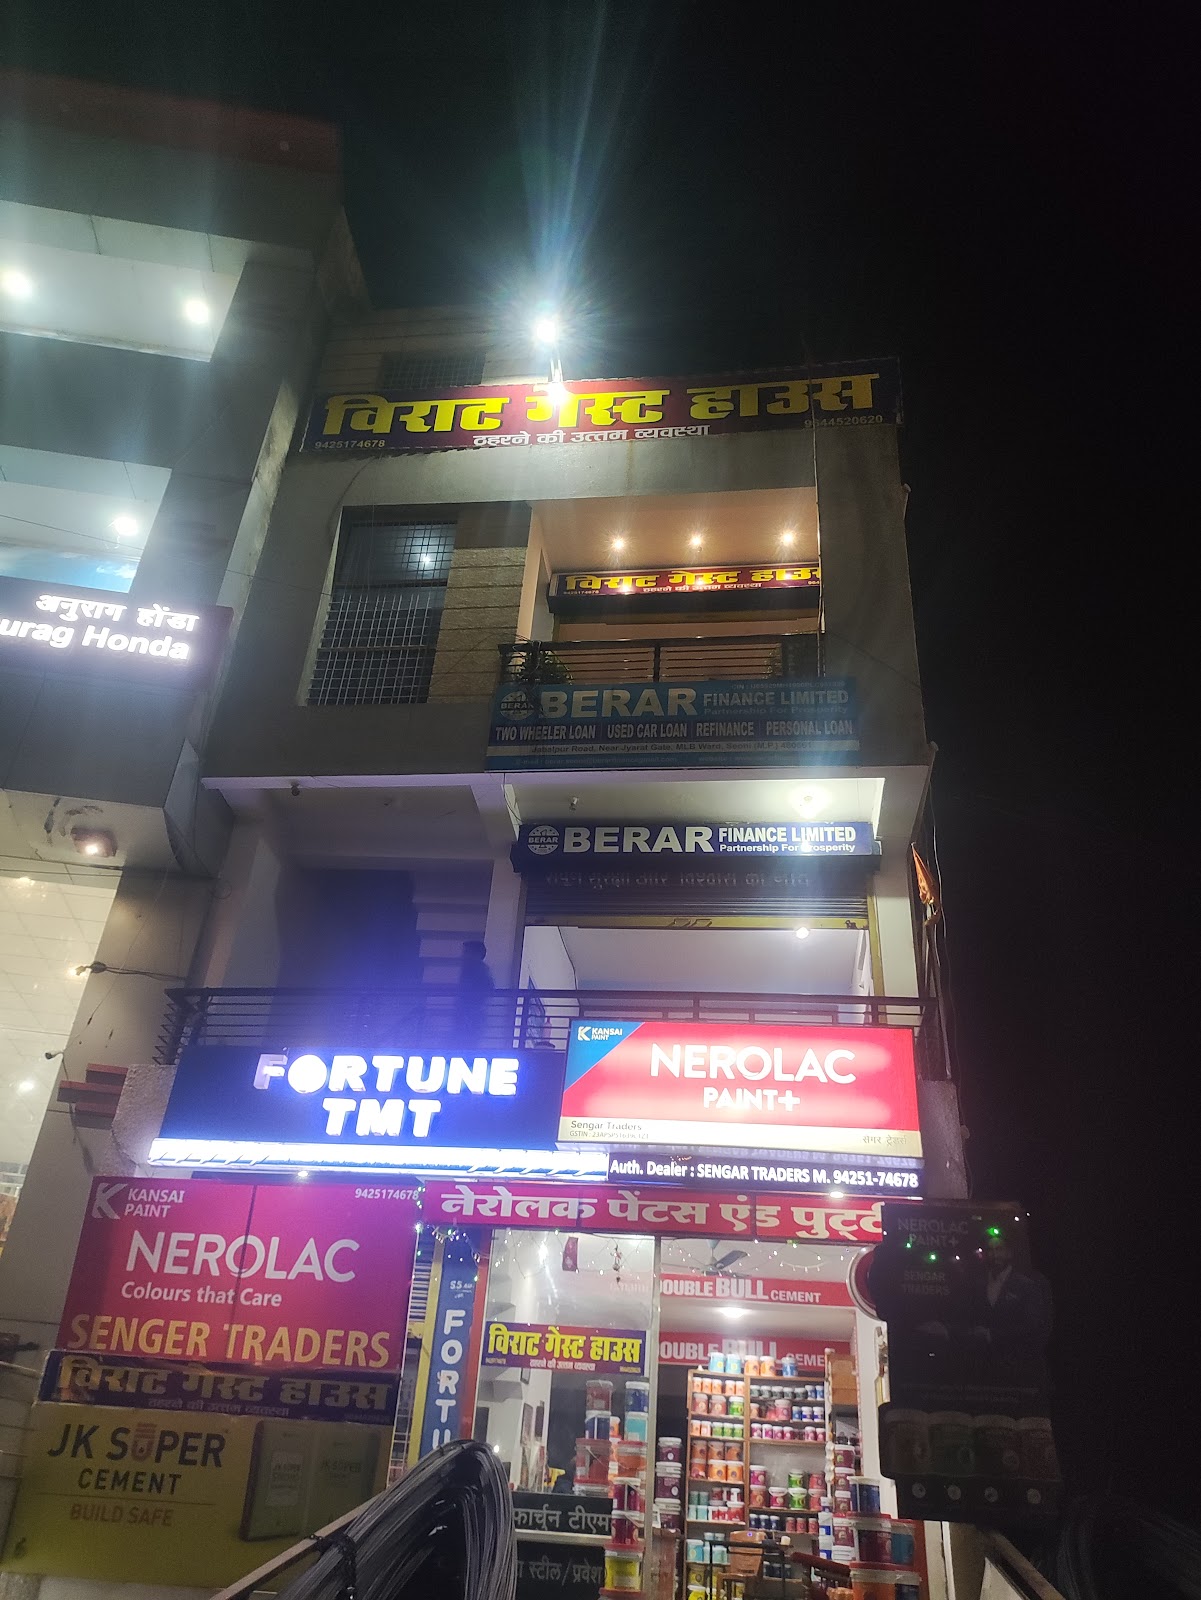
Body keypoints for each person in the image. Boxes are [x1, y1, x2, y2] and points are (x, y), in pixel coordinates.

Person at [458, 939, 495, 1035]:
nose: (463, 956)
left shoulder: (479, 969)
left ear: (475, 954)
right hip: (469, 1014)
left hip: (471, 1014)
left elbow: (488, 987)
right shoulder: (475, 969)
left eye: (466, 952)